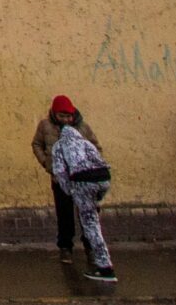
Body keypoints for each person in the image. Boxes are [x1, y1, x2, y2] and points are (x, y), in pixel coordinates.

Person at [45, 96, 116, 282]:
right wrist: (100, 194)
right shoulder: (85, 144)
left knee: (90, 225)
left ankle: (104, 267)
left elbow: (60, 172)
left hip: (80, 185)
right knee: (93, 224)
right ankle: (104, 263)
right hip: (98, 181)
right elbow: (101, 165)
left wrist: (71, 190)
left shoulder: (60, 146)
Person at [31, 95, 99, 261]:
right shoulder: (45, 126)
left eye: (68, 116)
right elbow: (37, 144)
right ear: (54, 114)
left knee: (88, 213)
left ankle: (91, 246)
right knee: (64, 214)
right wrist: (47, 163)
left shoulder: (82, 127)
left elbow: (94, 147)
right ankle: (65, 247)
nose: (66, 120)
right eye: (62, 116)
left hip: (83, 178)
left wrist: (92, 166)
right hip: (59, 178)